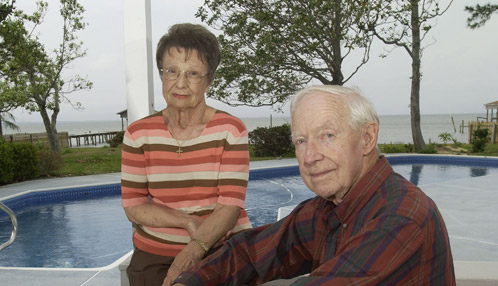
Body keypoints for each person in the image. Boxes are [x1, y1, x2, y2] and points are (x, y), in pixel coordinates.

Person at [172, 85, 456, 285]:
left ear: (367, 138)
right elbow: (249, 252)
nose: (310, 157)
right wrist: (191, 281)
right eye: (301, 141)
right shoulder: (328, 209)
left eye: (328, 135)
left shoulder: (402, 217)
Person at [120, 23, 253, 286]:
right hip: (155, 255)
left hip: (218, 248)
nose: (180, 83)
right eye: (171, 71)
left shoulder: (230, 130)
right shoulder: (138, 134)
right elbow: (134, 207)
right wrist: (186, 221)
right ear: (162, 76)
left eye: (192, 73)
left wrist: (195, 249)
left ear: (208, 82)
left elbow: (229, 206)